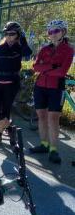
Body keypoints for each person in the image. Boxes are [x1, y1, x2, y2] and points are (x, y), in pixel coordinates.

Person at [30, 19, 73, 164]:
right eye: (50, 31)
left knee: (53, 118)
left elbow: (62, 72)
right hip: (40, 86)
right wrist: (52, 67)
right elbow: (35, 67)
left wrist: (45, 67)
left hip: (56, 88)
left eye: (56, 31)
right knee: (41, 116)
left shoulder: (68, 50)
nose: (52, 34)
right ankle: (44, 144)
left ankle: (54, 149)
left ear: (63, 32)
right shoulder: (44, 49)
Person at [0, 21, 32, 146]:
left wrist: (23, 39)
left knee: (5, 110)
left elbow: (28, 54)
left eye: (12, 34)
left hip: (11, 85)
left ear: (18, 35)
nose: (8, 36)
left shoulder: (19, 49)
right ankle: (10, 129)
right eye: (6, 33)